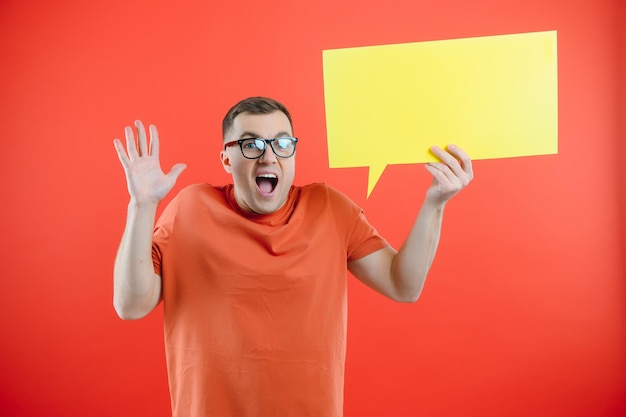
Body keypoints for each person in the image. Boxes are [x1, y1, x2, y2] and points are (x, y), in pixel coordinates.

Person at [113, 96, 473, 417]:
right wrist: (142, 206)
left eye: (282, 143)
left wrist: (435, 202)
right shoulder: (190, 210)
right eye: (251, 144)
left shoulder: (329, 209)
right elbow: (131, 305)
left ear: (293, 152)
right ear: (226, 157)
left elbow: (403, 284)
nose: (269, 155)